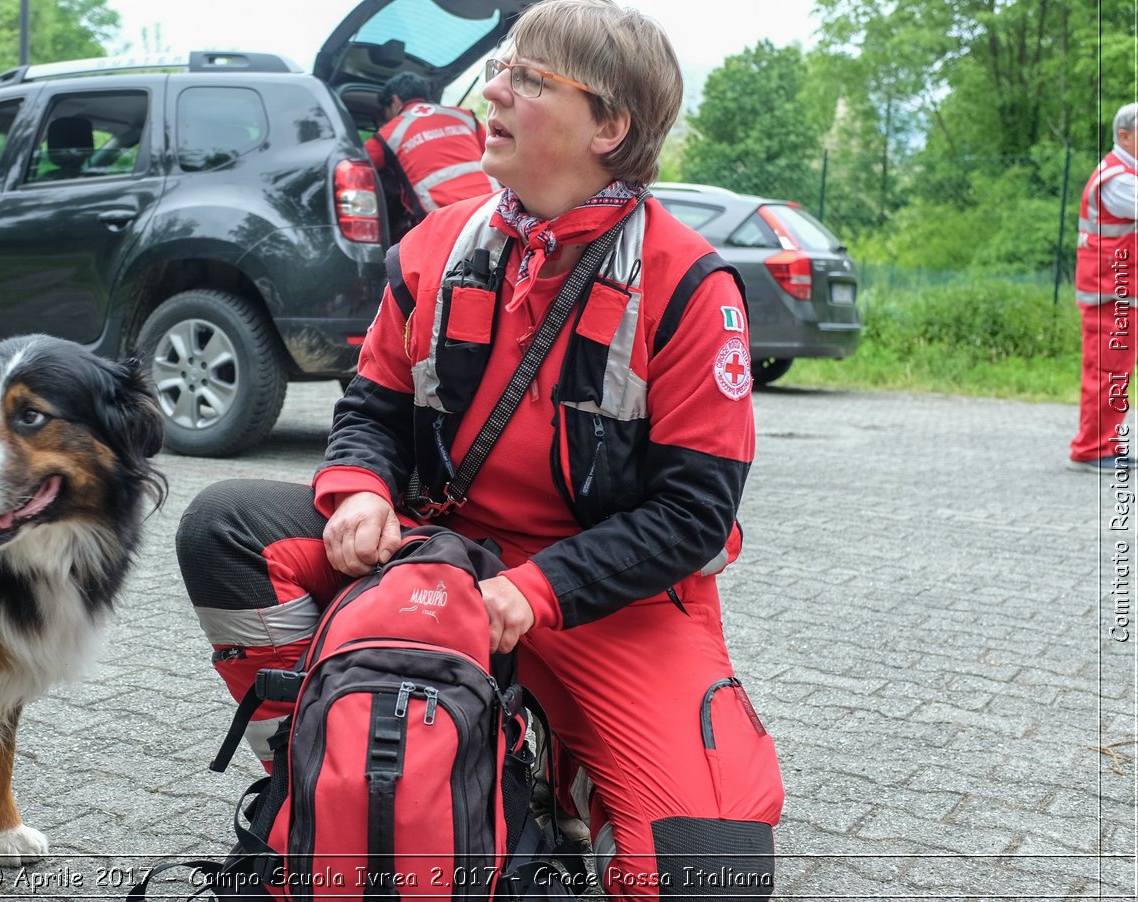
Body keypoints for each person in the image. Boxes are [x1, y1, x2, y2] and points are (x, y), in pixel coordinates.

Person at [176, 1, 784, 898]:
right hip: (437, 562)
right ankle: (328, 767)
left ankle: (552, 773)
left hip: (606, 601)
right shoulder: (435, 248)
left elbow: (693, 515)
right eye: (499, 67)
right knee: (227, 528)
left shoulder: (690, 287)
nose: (490, 91)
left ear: (610, 127)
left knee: (704, 877)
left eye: (529, 79)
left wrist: (533, 595)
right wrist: (360, 495)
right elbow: (372, 409)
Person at [1071, 102, 1138, 473]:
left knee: (1116, 372)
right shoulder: (1118, 180)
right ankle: (1092, 449)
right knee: (1107, 371)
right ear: (1124, 136)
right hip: (1108, 293)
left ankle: (1107, 444)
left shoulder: (1126, 174)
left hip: (1118, 291)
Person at [366, 71, 498, 240]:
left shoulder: (388, 133)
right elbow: (494, 155)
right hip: (493, 208)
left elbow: (358, 165)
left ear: (395, 101)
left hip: (444, 223)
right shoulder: (464, 116)